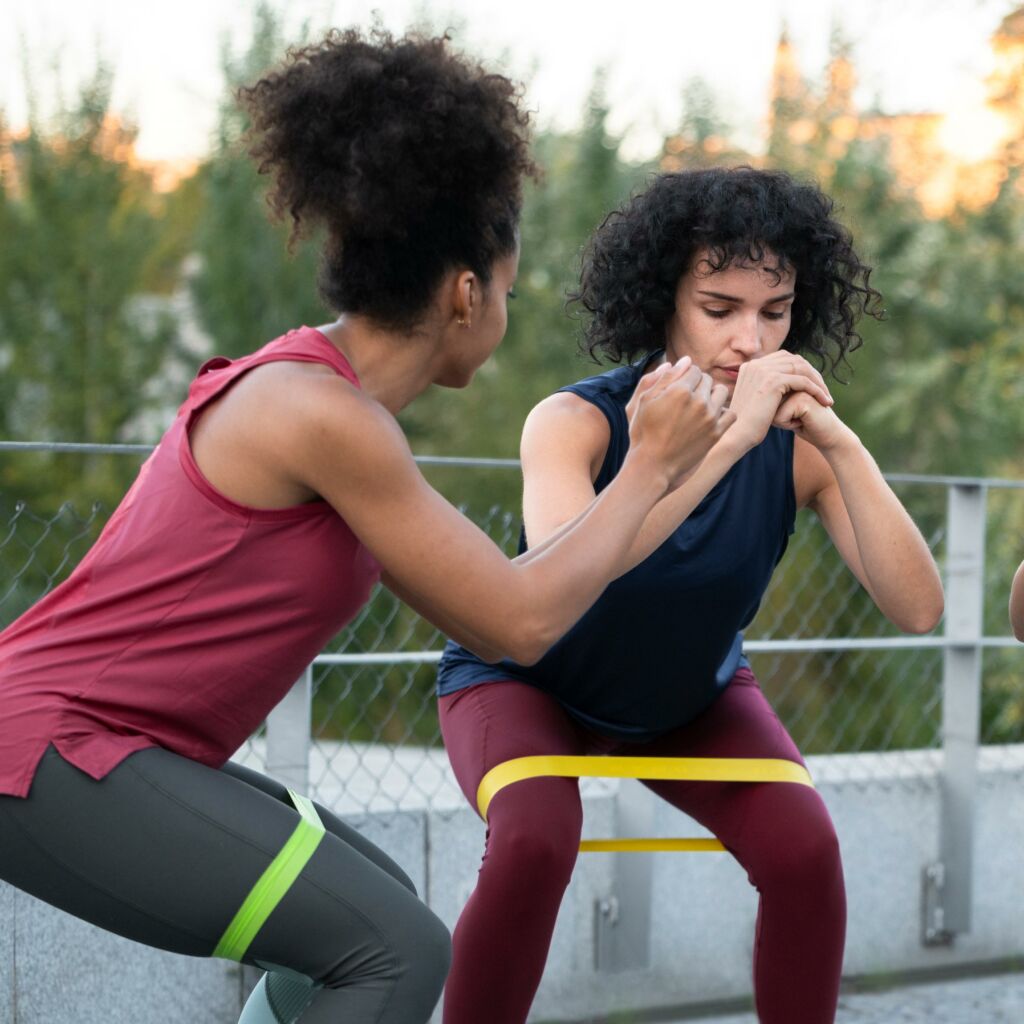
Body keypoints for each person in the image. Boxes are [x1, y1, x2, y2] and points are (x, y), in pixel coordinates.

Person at [0, 30, 735, 1024]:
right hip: (56, 746)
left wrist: (677, 467)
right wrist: (646, 461)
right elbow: (519, 624)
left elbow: (523, 589)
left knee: (368, 914)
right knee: (392, 950)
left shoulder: (336, 411)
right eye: (510, 290)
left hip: (112, 747)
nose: (506, 308)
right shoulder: (319, 414)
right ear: (465, 292)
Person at [435, 166, 946, 1024]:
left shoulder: (799, 447)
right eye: (719, 308)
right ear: (663, 299)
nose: (750, 340)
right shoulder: (573, 423)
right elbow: (572, 581)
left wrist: (845, 447)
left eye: (774, 313)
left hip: (688, 698)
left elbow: (920, 610)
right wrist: (727, 438)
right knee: (533, 838)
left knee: (804, 850)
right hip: (526, 683)